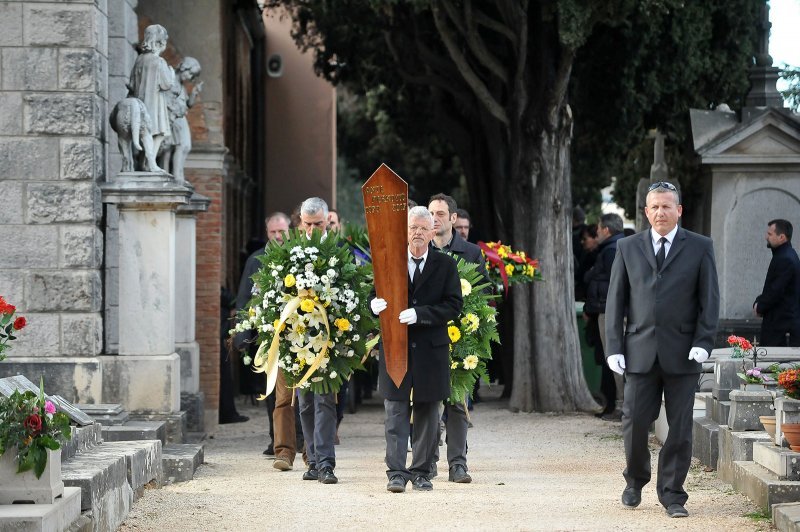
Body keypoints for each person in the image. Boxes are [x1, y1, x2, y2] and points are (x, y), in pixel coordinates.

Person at [605, 181, 719, 519]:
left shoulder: (700, 246)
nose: (660, 212)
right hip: (639, 351)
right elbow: (616, 300)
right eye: (654, 207)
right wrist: (614, 345)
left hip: (684, 353)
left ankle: (673, 494)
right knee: (635, 423)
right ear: (645, 211)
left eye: (666, 206)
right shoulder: (627, 247)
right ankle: (635, 480)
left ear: (678, 210)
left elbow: (709, 300)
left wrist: (703, 341)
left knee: (680, 428)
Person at [370, 206, 463, 493]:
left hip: (430, 349)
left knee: (427, 412)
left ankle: (422, 472)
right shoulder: (389, 260)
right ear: (405, 231)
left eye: (424, 228)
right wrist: (372, 307)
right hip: (396, 348)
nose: (418, 233)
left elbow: (453, 305)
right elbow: (371, 296)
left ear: (433, 232)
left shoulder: (445, 265)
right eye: (413, 228)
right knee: (395, 411)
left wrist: (421, 314)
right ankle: (396, 472)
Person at [428, 193, 489, 483]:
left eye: (440, 213)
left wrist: (473, 332)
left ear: (453, 218)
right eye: (431, 213)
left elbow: (483, 298)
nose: (435, 219)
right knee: (426, 403)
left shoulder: (471, 253)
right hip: (427, 338)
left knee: (457, 402)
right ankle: (426, 462)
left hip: (461, 339)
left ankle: (457, 464)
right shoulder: (418, 249)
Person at [233, 212, 297, 468]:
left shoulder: (298, 255)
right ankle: (275, 439)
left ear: (289, 231)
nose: (278, 236)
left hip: (295, 333)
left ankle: (298, 439)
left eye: (282, 231)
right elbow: (244, 298)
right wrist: (241, 334)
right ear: (266, 233)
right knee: (270, 390)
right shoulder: (255, 261)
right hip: (265, 335)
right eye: (273, 232)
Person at [296, 197, 339, 484]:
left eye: (318, 224)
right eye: (307, 224)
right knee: (305, 404)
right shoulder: (291, 251)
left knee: (324, 400)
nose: (312, 229)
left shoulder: (337, 251)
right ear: (301, 223)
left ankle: (325, 463)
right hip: (298, 338)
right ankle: (311, 459)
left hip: (330, 338)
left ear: (327, 222)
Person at [584, 213, 625, 420]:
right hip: (608, 310)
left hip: (610, 312)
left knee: (615, 357)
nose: (597, 232)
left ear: (606, 230)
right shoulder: (616, 247)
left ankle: (620, 405)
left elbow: (614, 284)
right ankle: (618, 404)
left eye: (598, 228)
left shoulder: (611, 250)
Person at [127, 24, 173, 162]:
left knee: (144, 133)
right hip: (155, 103)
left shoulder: (139, 59)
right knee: (161, 133)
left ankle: (144, 162)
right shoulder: (159, 61)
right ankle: (149, 161)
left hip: (140, 102)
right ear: (160, 42)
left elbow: (132, 83)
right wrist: (171, 74)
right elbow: (167, 84)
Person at [753, 219, 800, 346]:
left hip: (782, 328)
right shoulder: (784, 255)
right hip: (780, 325)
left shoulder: (786, 259)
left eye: (769, 234)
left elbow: (775, 291)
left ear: (781, 237)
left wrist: (760, 306)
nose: (766, 237)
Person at [160, 57, 203, 183]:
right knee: (176, 146)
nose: (190, 78)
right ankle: (176, 176)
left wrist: (194, 93)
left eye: (193, 76)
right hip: (174, 118)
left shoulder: (181, 86)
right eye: (190, 73)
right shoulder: (171, 81)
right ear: (183, 68)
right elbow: (165, 101)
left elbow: (188, 105)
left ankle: (178, 174)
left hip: (181, 118)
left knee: (185, 146)